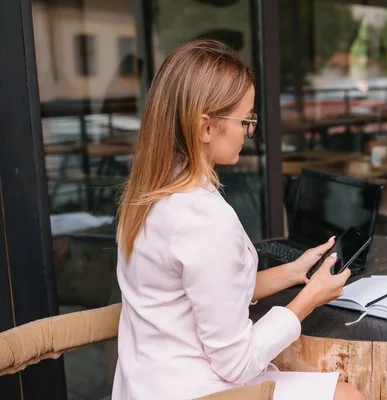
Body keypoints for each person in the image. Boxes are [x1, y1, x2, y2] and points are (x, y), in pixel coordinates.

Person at [112, 39, 364, 400]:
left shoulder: (148, 194)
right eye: (246, 120)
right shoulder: (202, 218)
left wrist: (292, 272)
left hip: (146, 385)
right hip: (197, 390)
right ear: (205, 128)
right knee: (349, 396)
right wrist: (310, 297)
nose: (249, 132)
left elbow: (199, 294)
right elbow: (236, 362)